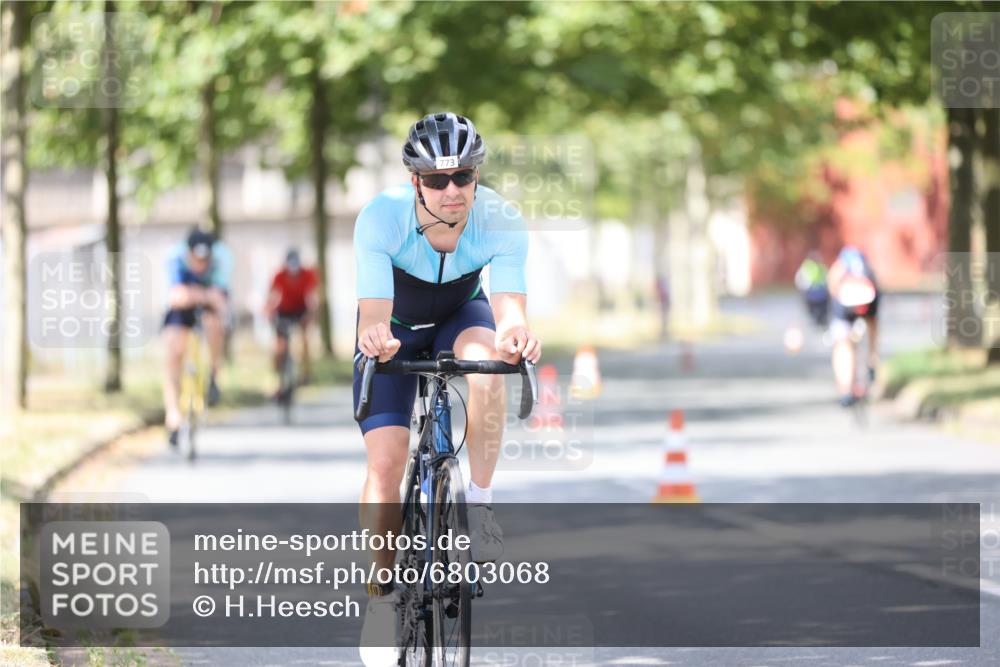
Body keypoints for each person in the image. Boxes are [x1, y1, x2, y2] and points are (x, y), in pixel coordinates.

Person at [353, 112, 541, 665]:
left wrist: (516, 336)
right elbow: (374, 315)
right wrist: (376, 339)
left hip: (462, 314)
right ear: (415, 182)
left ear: (477, 176)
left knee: (488, 364)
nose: (452, 190)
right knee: (386, 463)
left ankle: (478, 505)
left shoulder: (501, 220)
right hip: (395, 327)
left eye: (463, 176)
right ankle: (381, 593)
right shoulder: (381, 218)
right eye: (437, 180)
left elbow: (509, 312)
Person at [161, 227, 232, 446]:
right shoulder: (175, 258)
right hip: (184, 308)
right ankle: (173, 415)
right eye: (196, 258)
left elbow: (220, 300)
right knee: (173, 348)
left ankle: (213, 375)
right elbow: (176, 296)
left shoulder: (222, 258)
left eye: (205, 259)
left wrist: (196, 295)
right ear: (188, 253)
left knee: (214, 324)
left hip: (207, 306)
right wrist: (203, 295)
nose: (201, 264)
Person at [827, 245, 880, 407]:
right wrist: (873, 358)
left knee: (842, 345)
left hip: (845, 299)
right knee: (869, 329)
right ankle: (870, 366)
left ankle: (845, 389)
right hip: (868, 298)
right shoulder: (868, 270)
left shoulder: (840, 266)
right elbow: (873, 326)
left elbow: (832, 284)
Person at [264, 248, 319, 393]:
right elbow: (272, 296)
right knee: (279, 346)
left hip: (301, 310)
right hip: (284, 311)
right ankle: (278, 376)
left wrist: (311, 314)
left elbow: (312, 297)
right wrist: (269, 311)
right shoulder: (279, 275)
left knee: (305, 339)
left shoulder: (308, 274)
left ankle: (306, 373)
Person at [795, 251, 830, 328]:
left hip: (810, 294)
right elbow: (827, 278)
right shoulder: (821, 266)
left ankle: (817, 320)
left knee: (814, 311)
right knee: (821, 311)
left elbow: (799, 280)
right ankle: (821, 321)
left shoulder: (805, 267)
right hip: (821, 294)